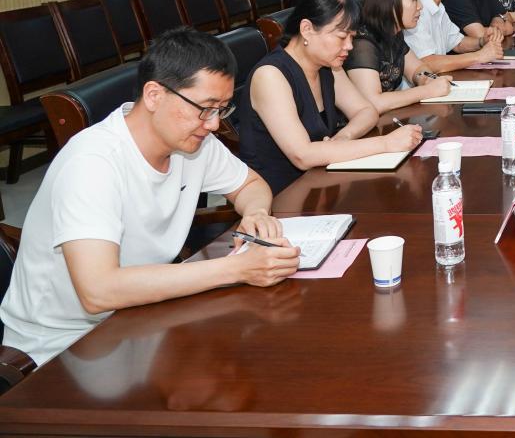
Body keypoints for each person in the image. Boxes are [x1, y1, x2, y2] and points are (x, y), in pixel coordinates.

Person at [0, 28, 300, 367]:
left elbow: (250, 184)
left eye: (221, 109)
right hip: (64, 347)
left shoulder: (193, 142)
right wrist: (235, 269)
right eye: (205, 108)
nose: (214, 124)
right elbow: (98, 290)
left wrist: (255, 212)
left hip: (141, 317)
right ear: (155, 95)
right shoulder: (93, 164)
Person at [238, 0, 421, 195]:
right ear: (307, 29)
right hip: (280, 197)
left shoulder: (328, 65)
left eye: (352, 37)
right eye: (342, 37)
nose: (349, 46)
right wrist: (386, 143)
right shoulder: (270, 75)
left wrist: (344, 137)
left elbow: (366, 111)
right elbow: (303, 155)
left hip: (321, 184)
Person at [346, 0, 456, 112]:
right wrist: (427, 91)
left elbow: (417, 68)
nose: (420, 6)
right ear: (392, 2)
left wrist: (425, 79)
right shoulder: (362, 43)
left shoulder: (394, 32)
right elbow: (373, 102)